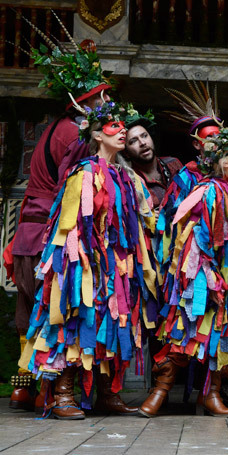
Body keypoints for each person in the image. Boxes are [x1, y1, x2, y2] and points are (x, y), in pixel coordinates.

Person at [18, 101, 158, 419]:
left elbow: (138, 221)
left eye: (123, 127)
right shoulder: (84, 174)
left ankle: (107, 394)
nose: (122, 131)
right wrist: (77, 265)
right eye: (114, 127)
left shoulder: (126, 177)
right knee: (78, 323)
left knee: (116, 323)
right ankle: (64, 394)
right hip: (86, 265)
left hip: (119, 266)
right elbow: (69, 227)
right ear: (96, 135)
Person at [7, 14, 114, 413]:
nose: (108, 106)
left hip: (28, 234)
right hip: (50, 236)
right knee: (55, 311)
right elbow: (79, 189)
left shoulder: (58, 128)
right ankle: (53, 392)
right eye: (102, 99)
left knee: (31, 309)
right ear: (85, 103)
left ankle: (24, 389)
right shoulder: (75, 133)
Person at [139, 123, 228, 418]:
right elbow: (188, 237)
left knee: (224, 332)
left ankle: (210, 394)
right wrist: (205, 276)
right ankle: (160, 390)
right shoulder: (206, 190)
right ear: (223, 161)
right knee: (187, 329)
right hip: (202, 274)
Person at [123, 113, 183, 208]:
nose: (142, 143)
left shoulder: (174, 163)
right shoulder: (130, 181)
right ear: (126, 152)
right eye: (133, 141)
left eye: (144, 136)